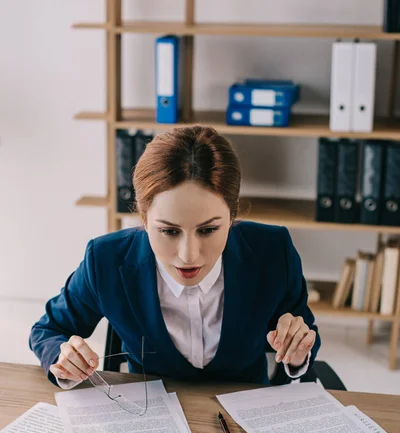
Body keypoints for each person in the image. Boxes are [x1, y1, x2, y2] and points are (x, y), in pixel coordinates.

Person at [29, 125, 320, 388]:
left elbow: (304, 333)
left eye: (208, 230)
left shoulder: (273, 250)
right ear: (143, 219)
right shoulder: (105, 260)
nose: (188, 255)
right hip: (154, 417)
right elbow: (48, 330)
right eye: (169, 231)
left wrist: (297, 353)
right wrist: (63, 356)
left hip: (247, 413)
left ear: (232, 216)